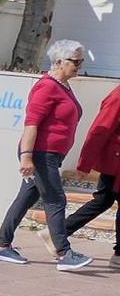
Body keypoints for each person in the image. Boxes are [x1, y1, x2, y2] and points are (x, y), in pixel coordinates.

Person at [0, 40, 93, 271]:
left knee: (25, 199)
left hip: (50, 154)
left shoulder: (63, 85)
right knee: (56, 200)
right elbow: (32, 123)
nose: (79, 65)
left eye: (80, 61)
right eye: (75, 61)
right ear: (59, 61)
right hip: (40, 153)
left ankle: (0, 246)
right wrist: (26, 157)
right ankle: (64, 254)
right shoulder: (46, 86)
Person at [61, 82, 120, 263]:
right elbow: (99, 130)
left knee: (103, 200)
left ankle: (58, 232)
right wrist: (84, 164)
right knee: (103, 200)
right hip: (115, 163)